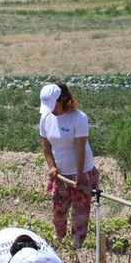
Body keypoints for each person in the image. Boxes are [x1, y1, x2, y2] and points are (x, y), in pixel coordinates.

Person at [39, 82, 99, 249]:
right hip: (60, 173)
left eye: (54, 105)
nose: (51, 109)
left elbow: (80, 148)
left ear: (63, 99)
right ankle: (59, 236)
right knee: (58, 210)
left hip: (81, 170)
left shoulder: (79, 118)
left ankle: (77, 241)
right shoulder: (46, 118)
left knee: (80, 211)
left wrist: (79, 176)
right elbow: (46, 146)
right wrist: (52, 166)